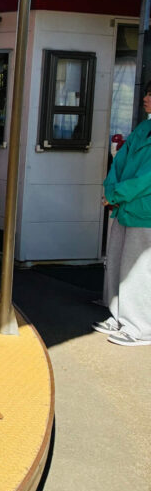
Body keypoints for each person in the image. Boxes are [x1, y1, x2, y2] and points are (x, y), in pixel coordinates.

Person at [97, 81, 151, 346]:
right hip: (125, 206)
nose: (146, 98)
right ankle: (119, 315)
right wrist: (110, 189)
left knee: (139, 270)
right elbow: (119, 162)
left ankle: (141, 327)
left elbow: (146, 179)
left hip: (143, 211)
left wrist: (114, 194)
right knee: (118, 262)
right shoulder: (144, 128)